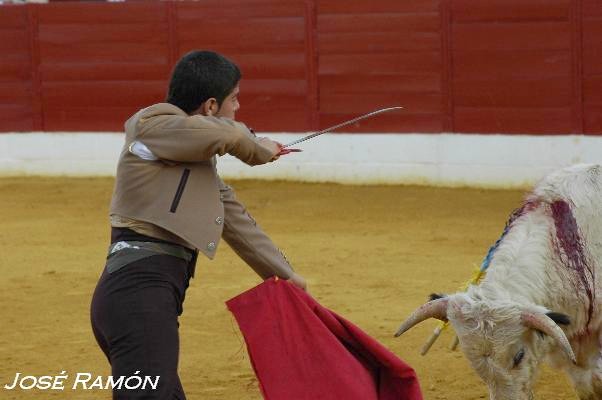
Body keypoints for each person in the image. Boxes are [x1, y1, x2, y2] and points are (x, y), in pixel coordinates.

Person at [90, 50, 307, 399]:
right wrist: (258, 146)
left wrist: (288, 276)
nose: (238, 108)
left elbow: (236, 221)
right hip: (137, 296)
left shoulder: (197, 165)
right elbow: (230, 136)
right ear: (209, 106)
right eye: (233, 99)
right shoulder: (151, 125)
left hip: (148, 298)